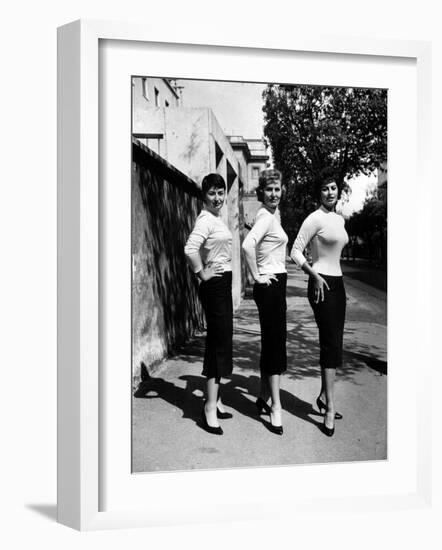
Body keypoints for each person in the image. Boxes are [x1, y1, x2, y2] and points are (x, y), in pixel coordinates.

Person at [290, 170, 348, 436]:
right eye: (325, 188)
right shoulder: (314, 218)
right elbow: (295, 250)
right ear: (319, 193)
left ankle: (324, 397)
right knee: (329, 343)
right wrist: (313, 274)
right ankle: (329, 407)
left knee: (336, 342)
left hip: (338, 284)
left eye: (334, 188)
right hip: (320, 283)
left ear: (339, 190)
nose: (330, 193)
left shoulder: (339, 219)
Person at [184, 173, 233, 435]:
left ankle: (216, 398)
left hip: (222, 283)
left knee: (222, 342)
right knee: (217, 344)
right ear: (204, 195)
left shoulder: (216, 218)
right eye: (212, 193)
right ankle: (209, 408)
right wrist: (202, 273)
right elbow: (190, 249)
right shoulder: (205, 219)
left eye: (220, 192)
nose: (217, 197)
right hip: (214, 286)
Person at [242, 168, 288, 435]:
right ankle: (276, 407)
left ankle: (262, 396)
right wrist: (257, 277)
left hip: (275, 283)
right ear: (262, 192)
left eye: (277, 189)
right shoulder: (265, 217)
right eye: (269, 189)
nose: (274, 194)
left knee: (273, 342)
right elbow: (248, 245)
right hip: (269, 285)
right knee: (274, 346)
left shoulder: (272, 215)